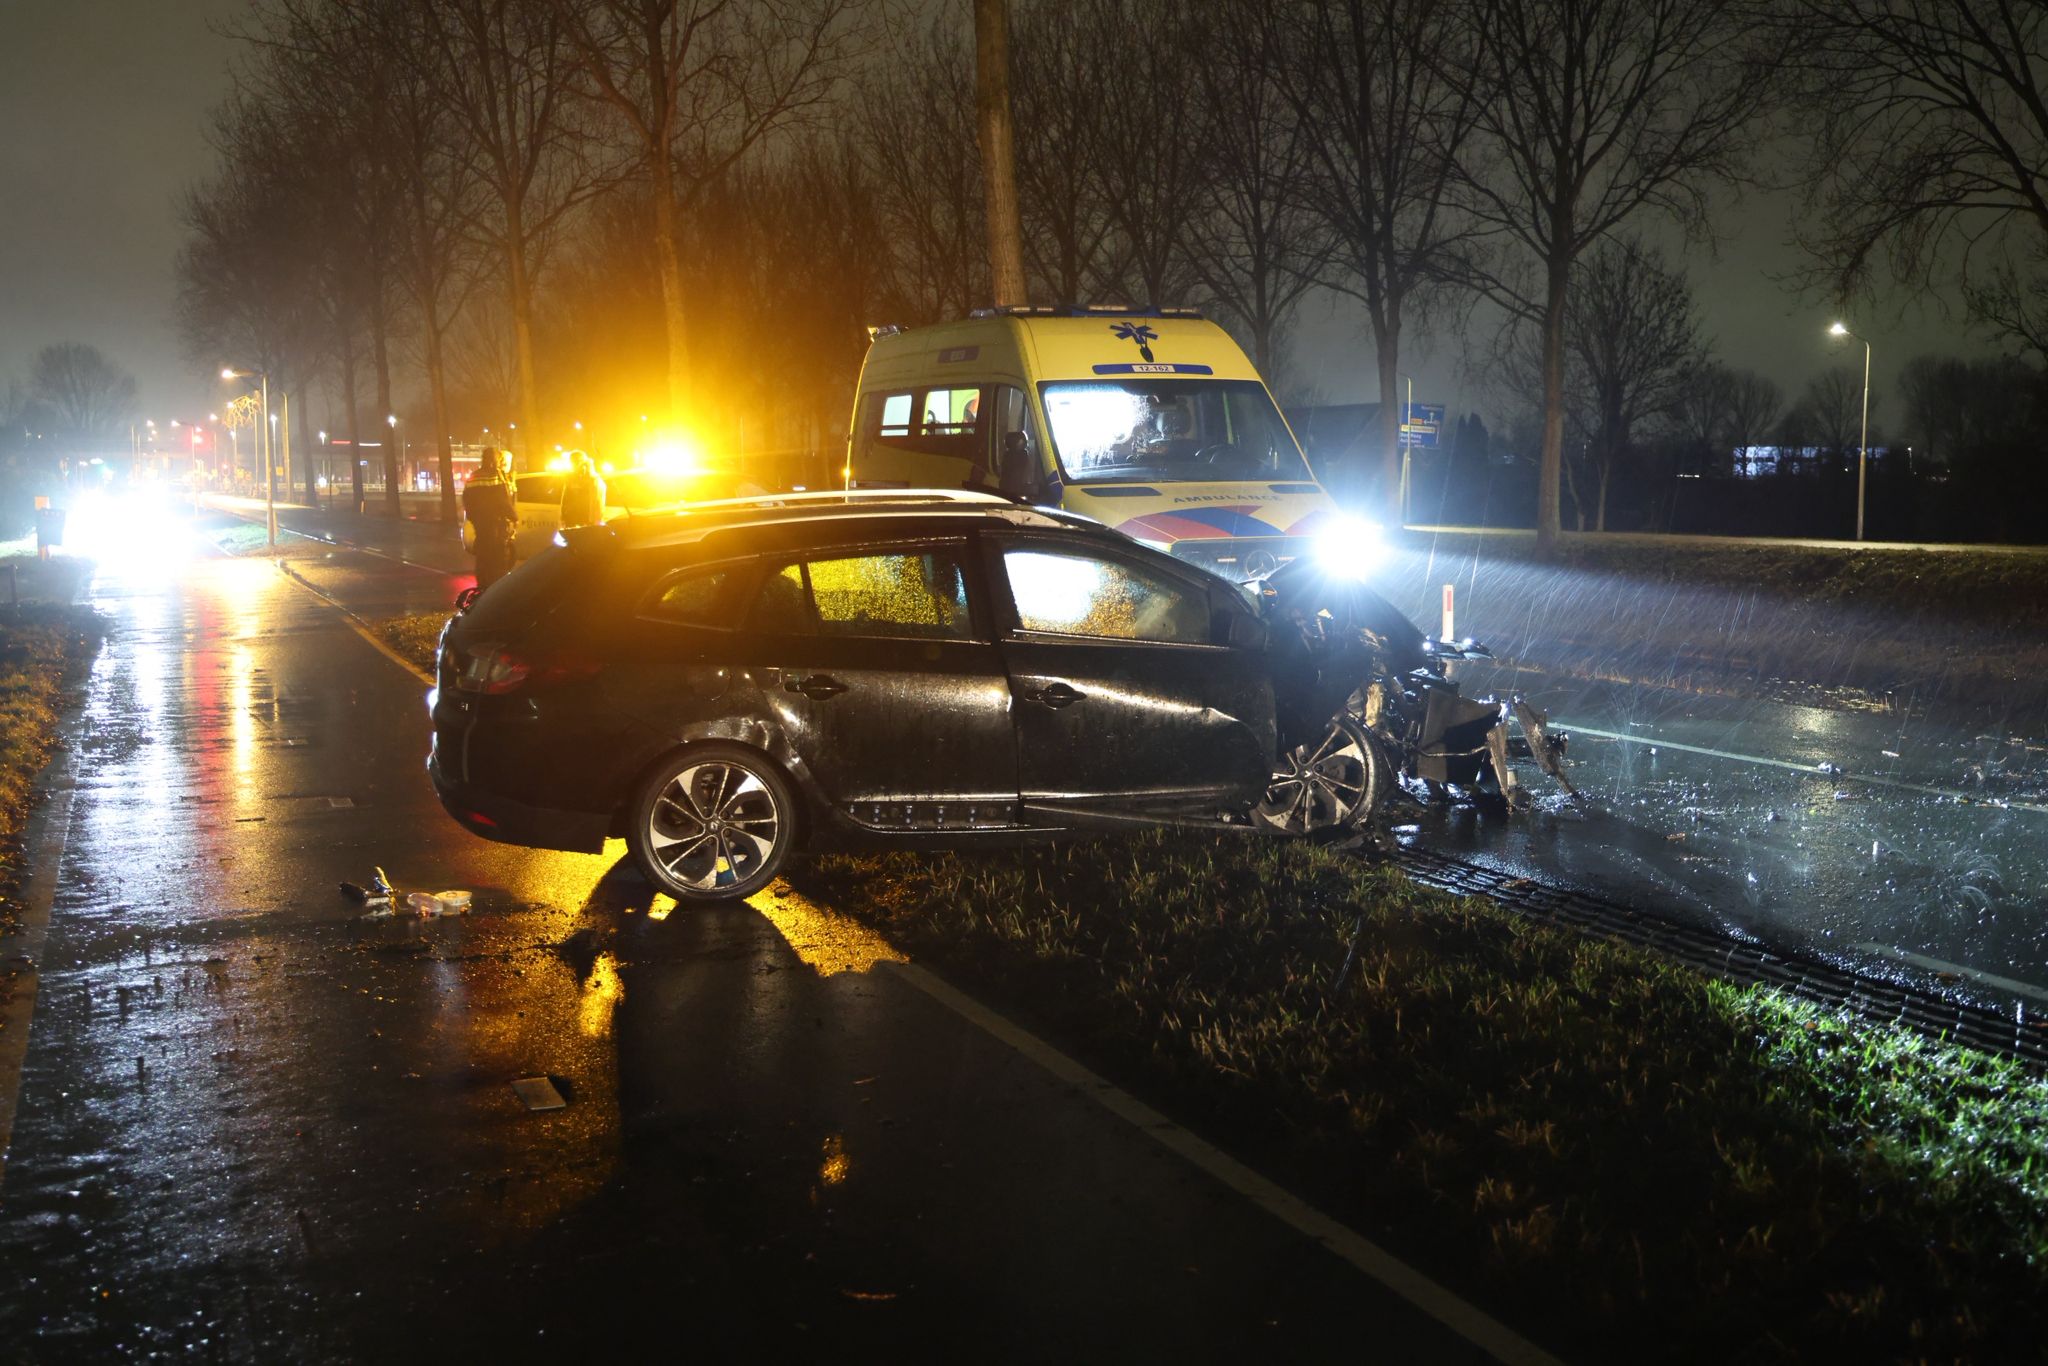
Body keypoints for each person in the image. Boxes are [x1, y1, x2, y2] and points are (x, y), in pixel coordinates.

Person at [463, 447, 519, 591]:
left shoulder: (473, 476)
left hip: (480, 524)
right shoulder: (496, 476)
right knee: (498, 556)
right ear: (495, 459)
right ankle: (497, 587)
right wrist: (514, 517)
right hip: (496, 523)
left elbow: (467, 500)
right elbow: (502, 500)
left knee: (483, 555)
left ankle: (482, 584)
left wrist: (473, 518)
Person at [559, 450, 605, 529]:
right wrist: (563, 516)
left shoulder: (594, 479)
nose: (574, 465)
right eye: (572, 462)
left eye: (576, 461)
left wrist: (595, 520)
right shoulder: (570, 478)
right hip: (571, 518)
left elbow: (597, 502)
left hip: (586, 520)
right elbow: (565, 498)